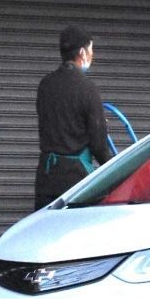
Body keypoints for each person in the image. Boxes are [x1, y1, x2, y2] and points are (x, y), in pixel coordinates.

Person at [34, 27, 110, 210]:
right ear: (82, 52)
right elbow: (98, 144)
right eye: (91, 49)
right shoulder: (88, 89)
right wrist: (113, 170)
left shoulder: (45, 85)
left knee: (45, 232)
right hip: (75, 181)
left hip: (46, 176)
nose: (93, 55)